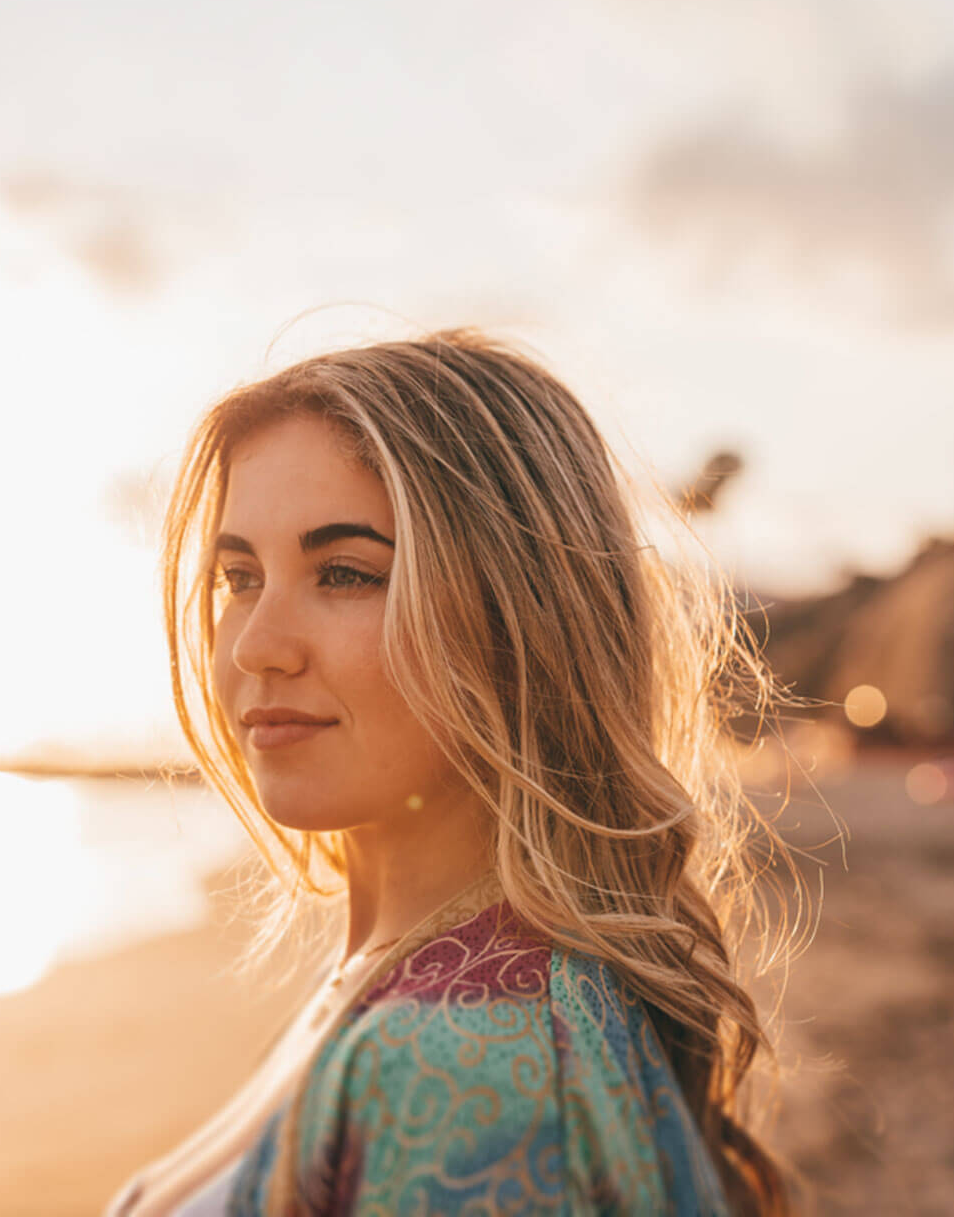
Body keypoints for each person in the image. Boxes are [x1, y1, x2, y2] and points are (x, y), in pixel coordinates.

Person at [107, 329, 801, 1216]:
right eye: (239, 576)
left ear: (522, 622)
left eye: (346, 573)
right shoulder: (417, 970)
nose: (257, 645)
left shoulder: (460, 1067)